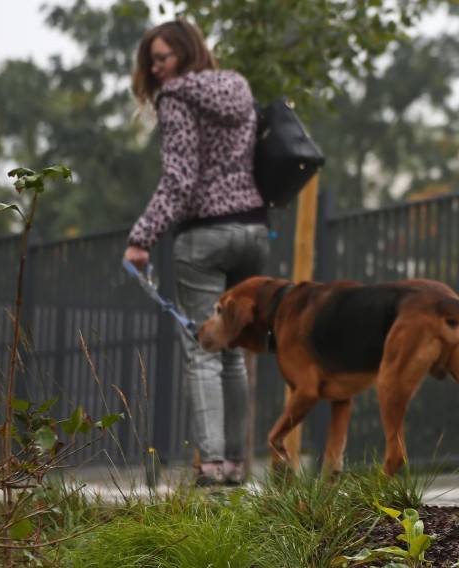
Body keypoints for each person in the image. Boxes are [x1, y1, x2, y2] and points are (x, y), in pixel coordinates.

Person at [123, 19, 269, 486]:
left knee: (203, 348)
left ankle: (209, 466)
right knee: (233, 349)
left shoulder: (177, 98)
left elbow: (180, 180)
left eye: (162, 58)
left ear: (186, 53)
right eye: (152, 61)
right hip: (252, 233)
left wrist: (141, 237)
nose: (156, 68)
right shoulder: (238, 87)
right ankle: (235, 466)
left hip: (205, 235)